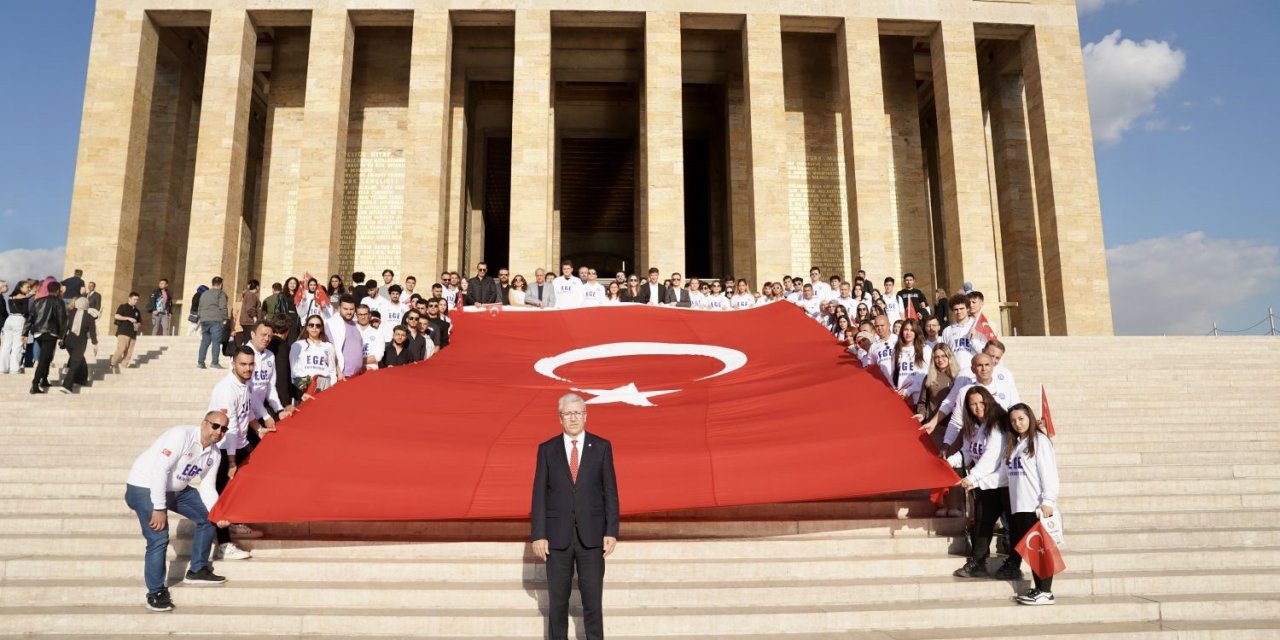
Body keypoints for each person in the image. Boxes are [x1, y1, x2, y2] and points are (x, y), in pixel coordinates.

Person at [124, 412, 233, 611]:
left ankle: (197, 570)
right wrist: (159, 507)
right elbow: (160, 469)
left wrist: (217, 513)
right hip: (144, 486)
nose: (219, 432)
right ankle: (155, 592)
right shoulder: (181, 436)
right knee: (159, 537)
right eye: (215, 426)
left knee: (207, 517)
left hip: (176, 490)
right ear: (204, 424)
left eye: (224, 429)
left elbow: (207, 487)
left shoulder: (214, 454)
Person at [531, 393, 619, 640]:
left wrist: (611, 531)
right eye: (568, 414)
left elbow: (610, 491)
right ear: (560, 418)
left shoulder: (601, 447)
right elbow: (539, 494)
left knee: (593, 603)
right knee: (558, 605)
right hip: (557, 540)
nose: (573, 418)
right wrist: (539, 534)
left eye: (578, 413)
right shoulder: (547, 450)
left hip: (592, 538)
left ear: (585, 416)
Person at [965, 403, 1060, 605]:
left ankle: (1046, 591)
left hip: (1034, 506)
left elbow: (1049, 474)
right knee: (1032, 550)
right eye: (1014, 420)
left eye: (1021, 419)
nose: (1017, 423)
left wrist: (1048, 501)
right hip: (1019, 506)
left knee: (1040, 549)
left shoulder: (1039, 441)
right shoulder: (1016, 445)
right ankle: (1039, 588)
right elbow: (1004, 477)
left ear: (1030, 418)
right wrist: (976, 482)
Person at [949, 386, 1011, 580]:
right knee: (982, 526)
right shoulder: (973, 426)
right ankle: (979, 563)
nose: (977, 407)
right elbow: (967, 453)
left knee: (1014, 528)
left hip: (1005, 485)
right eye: (972, 404)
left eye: (981, 403)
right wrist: (946, 463)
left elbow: (992, 456)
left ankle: (1014, 564)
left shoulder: (998, 424)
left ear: (988, 401)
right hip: (985, 486)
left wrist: (972, 477)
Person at [207, 347, 257, 560]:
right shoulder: (227, 389)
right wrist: (231, 461)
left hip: (239, 445)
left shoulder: (243, 385)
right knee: (221, 495)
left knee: (234, 491)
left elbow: (248, 412)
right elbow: (230, 428)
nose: (247, 368)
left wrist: (260, 428)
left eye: (251, 364)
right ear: (233, 364)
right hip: (224, 450)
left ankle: (234, 523)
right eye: (243, 364)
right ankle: (223, 544)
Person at [246, 320, 294, 435]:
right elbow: (248, 391)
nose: (267, 339)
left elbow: (270, 386)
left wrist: (279, 410)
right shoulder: (243, 355)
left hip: (261, 414)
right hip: (245, 416)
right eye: (263, 335)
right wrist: (266, 415)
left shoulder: (270, 355)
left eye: (269, 336)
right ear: (253, 334)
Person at [25, 281, 66, 394]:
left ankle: (44, 380)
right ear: (58, 291)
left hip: (38, 332)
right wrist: (62, 337)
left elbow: (31, 317)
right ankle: (35, 383)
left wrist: (24, 332)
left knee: (47, 357)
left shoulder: (38, 301)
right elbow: (62, 320)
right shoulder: (59, 302)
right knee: (44, 358)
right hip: (50, 332)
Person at [291, 314, 341, 399]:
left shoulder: (329, 346)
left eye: (318, 325)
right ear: (306, 327)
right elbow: (293, 370)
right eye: (311, 325)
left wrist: (333, 387)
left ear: (321, 328)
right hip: (304, 383)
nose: (314, 328)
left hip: (324, 383)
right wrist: (297, 388)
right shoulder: (297, 345)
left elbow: (332, 370)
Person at [60, 296, 98, 393]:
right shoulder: (89, 317)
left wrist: (62, 339)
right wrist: (95, 344)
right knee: (75, 363)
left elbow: (65, 327)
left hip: (69, 340)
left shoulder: (71, 313)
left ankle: (81, 379)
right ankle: (67, 385)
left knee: (80, 360)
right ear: (87, 305)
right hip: (80, 341)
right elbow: (92, 331)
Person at [939, 295, 986, 372]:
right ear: (952, 311)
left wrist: (973, 340)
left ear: (968, 309)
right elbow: (944, 354)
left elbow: (985, 352)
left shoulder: (978, 327)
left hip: (975, 373)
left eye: (962, 308)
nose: (959, 312)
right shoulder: (947, 331)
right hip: (954, 373)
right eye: (956, 309)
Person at [324, 295, 365, 379]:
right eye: (345, 309)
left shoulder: (356, 325)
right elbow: (329, 351)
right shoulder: (331, 325)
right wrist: (338, 372)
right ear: (339, 308)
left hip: (358, 375)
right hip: (343, 376)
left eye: (351, 309)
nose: (349, 312)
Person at [893, 318, 930, 405]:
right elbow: (893, 373)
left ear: (916, 332)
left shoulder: (925, 349)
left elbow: (925, 374)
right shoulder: (897, 350)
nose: (908, 333)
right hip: (902, 397)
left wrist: (909, 390)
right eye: (906, 329)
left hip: (919, 397)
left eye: (912, 330)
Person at [197, 277, 230, 369]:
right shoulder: (220, 293)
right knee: (216, 341)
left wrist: (201, 317)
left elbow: (199, 307)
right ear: (220, 284)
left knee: (205, 341)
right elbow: (223, 307)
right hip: (215, 319)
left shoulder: (204, 294)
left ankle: (200, 362)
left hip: (204, 320)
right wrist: (225, 318)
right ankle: (214, 363)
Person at [1, 279, 33, 374]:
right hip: (19, 320)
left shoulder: (10, 297)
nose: (29, 289)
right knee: (17, 345)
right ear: (20, 287)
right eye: (27, 287)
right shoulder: (25, 298)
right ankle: (14, 368)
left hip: (9, 319)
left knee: (6, 345)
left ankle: (2, 368)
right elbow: (25, 312)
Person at [109, 291, 142, 372]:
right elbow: (117, 316)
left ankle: (124, 366)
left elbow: (140, 322)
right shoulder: (123, 307)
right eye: (134, 299)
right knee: (121, 348)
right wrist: (128, 318)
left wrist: (138, 325)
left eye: (137, 300)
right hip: (123, 331)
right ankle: (112, 363)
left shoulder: (137, 311)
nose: (136, 301)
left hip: (133, 333)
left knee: (129, 352)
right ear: (129, 298)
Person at [237, 280, 262, 346]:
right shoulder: (251, 295)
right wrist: (254, 317)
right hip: (249, 322)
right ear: (257, 287)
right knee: (249, 341)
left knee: (247, 340)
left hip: (247, 321)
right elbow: (250, 307)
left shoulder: (249, 294)